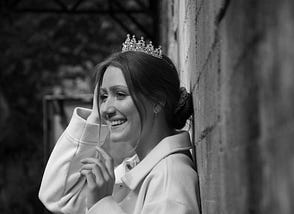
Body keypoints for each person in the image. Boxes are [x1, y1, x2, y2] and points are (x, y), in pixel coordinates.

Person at [39, 35, 200, 214]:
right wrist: (94, 118)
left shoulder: (171, 177)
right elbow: (58, 198)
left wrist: (103, 204)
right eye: (103, 96)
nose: (106, 109)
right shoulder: (137, 168)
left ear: (158, 101)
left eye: (120, 94)